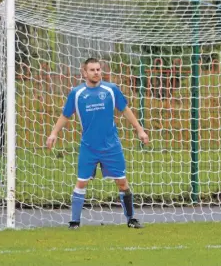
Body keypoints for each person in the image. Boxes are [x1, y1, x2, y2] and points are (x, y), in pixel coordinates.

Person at [45, 58, 149, 229]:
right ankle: (74, 222)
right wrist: (54, 134)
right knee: (81, 182)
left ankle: (131, 219)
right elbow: (65, 115)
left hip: (111, 146)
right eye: (92, 70)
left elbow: (125, 110)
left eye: (98, 69)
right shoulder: (77, 93)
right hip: (89, 147)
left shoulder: (111, 89)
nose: (96, 72)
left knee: (122, 182)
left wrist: (140, 129)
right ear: (84, 73)